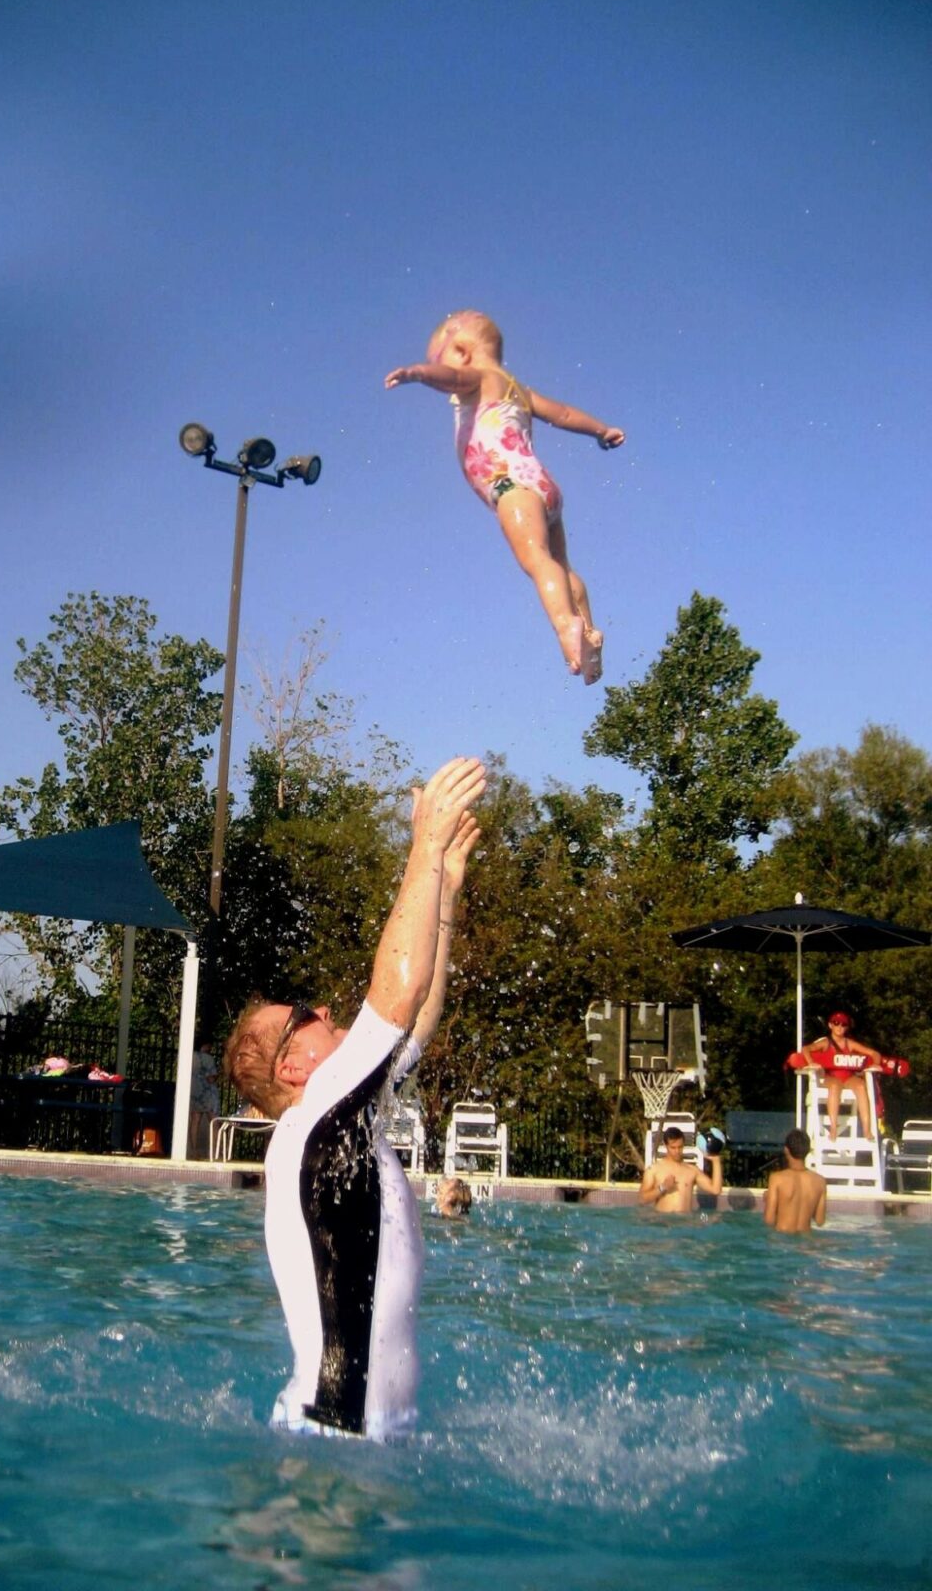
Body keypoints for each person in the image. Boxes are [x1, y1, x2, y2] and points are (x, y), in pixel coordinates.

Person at [223, 755, 486, 1440]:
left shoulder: (340, 1126)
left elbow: (417, 1015)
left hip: (357, 1436)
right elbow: (395, 995)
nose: (333, 1015)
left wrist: (447, 893)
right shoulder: (315, 1120)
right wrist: (423, 846)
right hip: (336, 1443)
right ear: (293, 1065)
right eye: (312, 1014)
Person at [385, 310, 623, 685]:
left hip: (511, 488)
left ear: (462, 350)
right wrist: (600, 429)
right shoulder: (519, 389)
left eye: (439, 358)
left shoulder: (477, 378)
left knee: (536, 559)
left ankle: (566, 625)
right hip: (543, 486)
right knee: (561, 565)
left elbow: (453, 379)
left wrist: (418, 374)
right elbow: (561, 413)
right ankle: (590, 629)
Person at [786, 1011, 909, 1142]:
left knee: (861, 1087)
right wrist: (811, 1062)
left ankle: (867, 1129)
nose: (839, 1027)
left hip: (848, 1077)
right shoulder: (826, 1042)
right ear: (830, 1025)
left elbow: (874, 1054)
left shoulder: (849, 1043)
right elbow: (806, 1049)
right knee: (835, 1086)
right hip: (830, 1077)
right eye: (836, 1023)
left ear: (846, 1027)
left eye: (843, 1024)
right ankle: (833, 1128)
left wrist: (876, 1065)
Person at [639, 1125, 724, 1213]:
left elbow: (716, 1190)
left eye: (680, 1147)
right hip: (663, 1222)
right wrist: (662, 1187)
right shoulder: (653, 1170)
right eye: (673, 1147)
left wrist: (716, 1161)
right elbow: (642, 1199)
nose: (677, 1151)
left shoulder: (692, 1170)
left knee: (706, 1219)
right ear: (665, 1145)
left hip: (685, 1222)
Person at [764, 1129, 827, 1233]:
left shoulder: (777, 1179)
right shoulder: (820, 1181)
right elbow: (820, 1221)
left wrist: (769, 1199)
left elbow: (769, 1220)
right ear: (807, 1150)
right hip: (806, 1242)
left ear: (786, 1150)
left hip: (783, 1240)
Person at [187, 1040, 221, 1159]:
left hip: (194, 1091)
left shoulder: (190, 1057)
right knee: (214, 1121)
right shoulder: (208, 1058)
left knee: (195, 1120)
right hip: (207, 1093)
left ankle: (193, 1150)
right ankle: (215, 1152)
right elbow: (211, 1078)